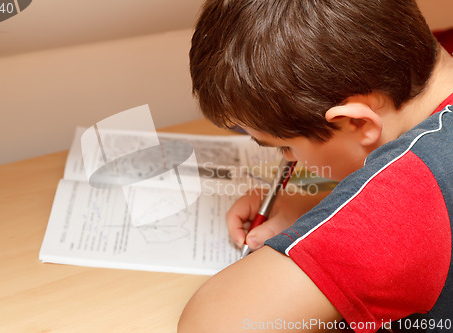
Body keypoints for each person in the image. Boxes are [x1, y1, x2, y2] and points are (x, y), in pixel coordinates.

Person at [177, 0, 453, 332]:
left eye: (285, 148)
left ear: (356, 122)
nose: (288, 161)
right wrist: (319, 203)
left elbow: (214, 324)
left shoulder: (409, 193)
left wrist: (324, 224)